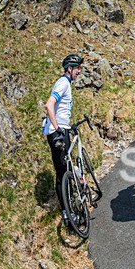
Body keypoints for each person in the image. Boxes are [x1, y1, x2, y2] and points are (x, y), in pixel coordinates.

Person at [42, 53, 84, 226]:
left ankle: (69, 211)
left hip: (61, 129)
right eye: (77, 68)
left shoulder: (66, 84)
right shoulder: (63, 83)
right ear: (69, 68)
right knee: (62, 174)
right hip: (57, 132)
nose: (79, 72)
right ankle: (69, 214)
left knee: (64, 170)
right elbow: (49, 104)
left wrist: (67, 126)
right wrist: (58, 128)